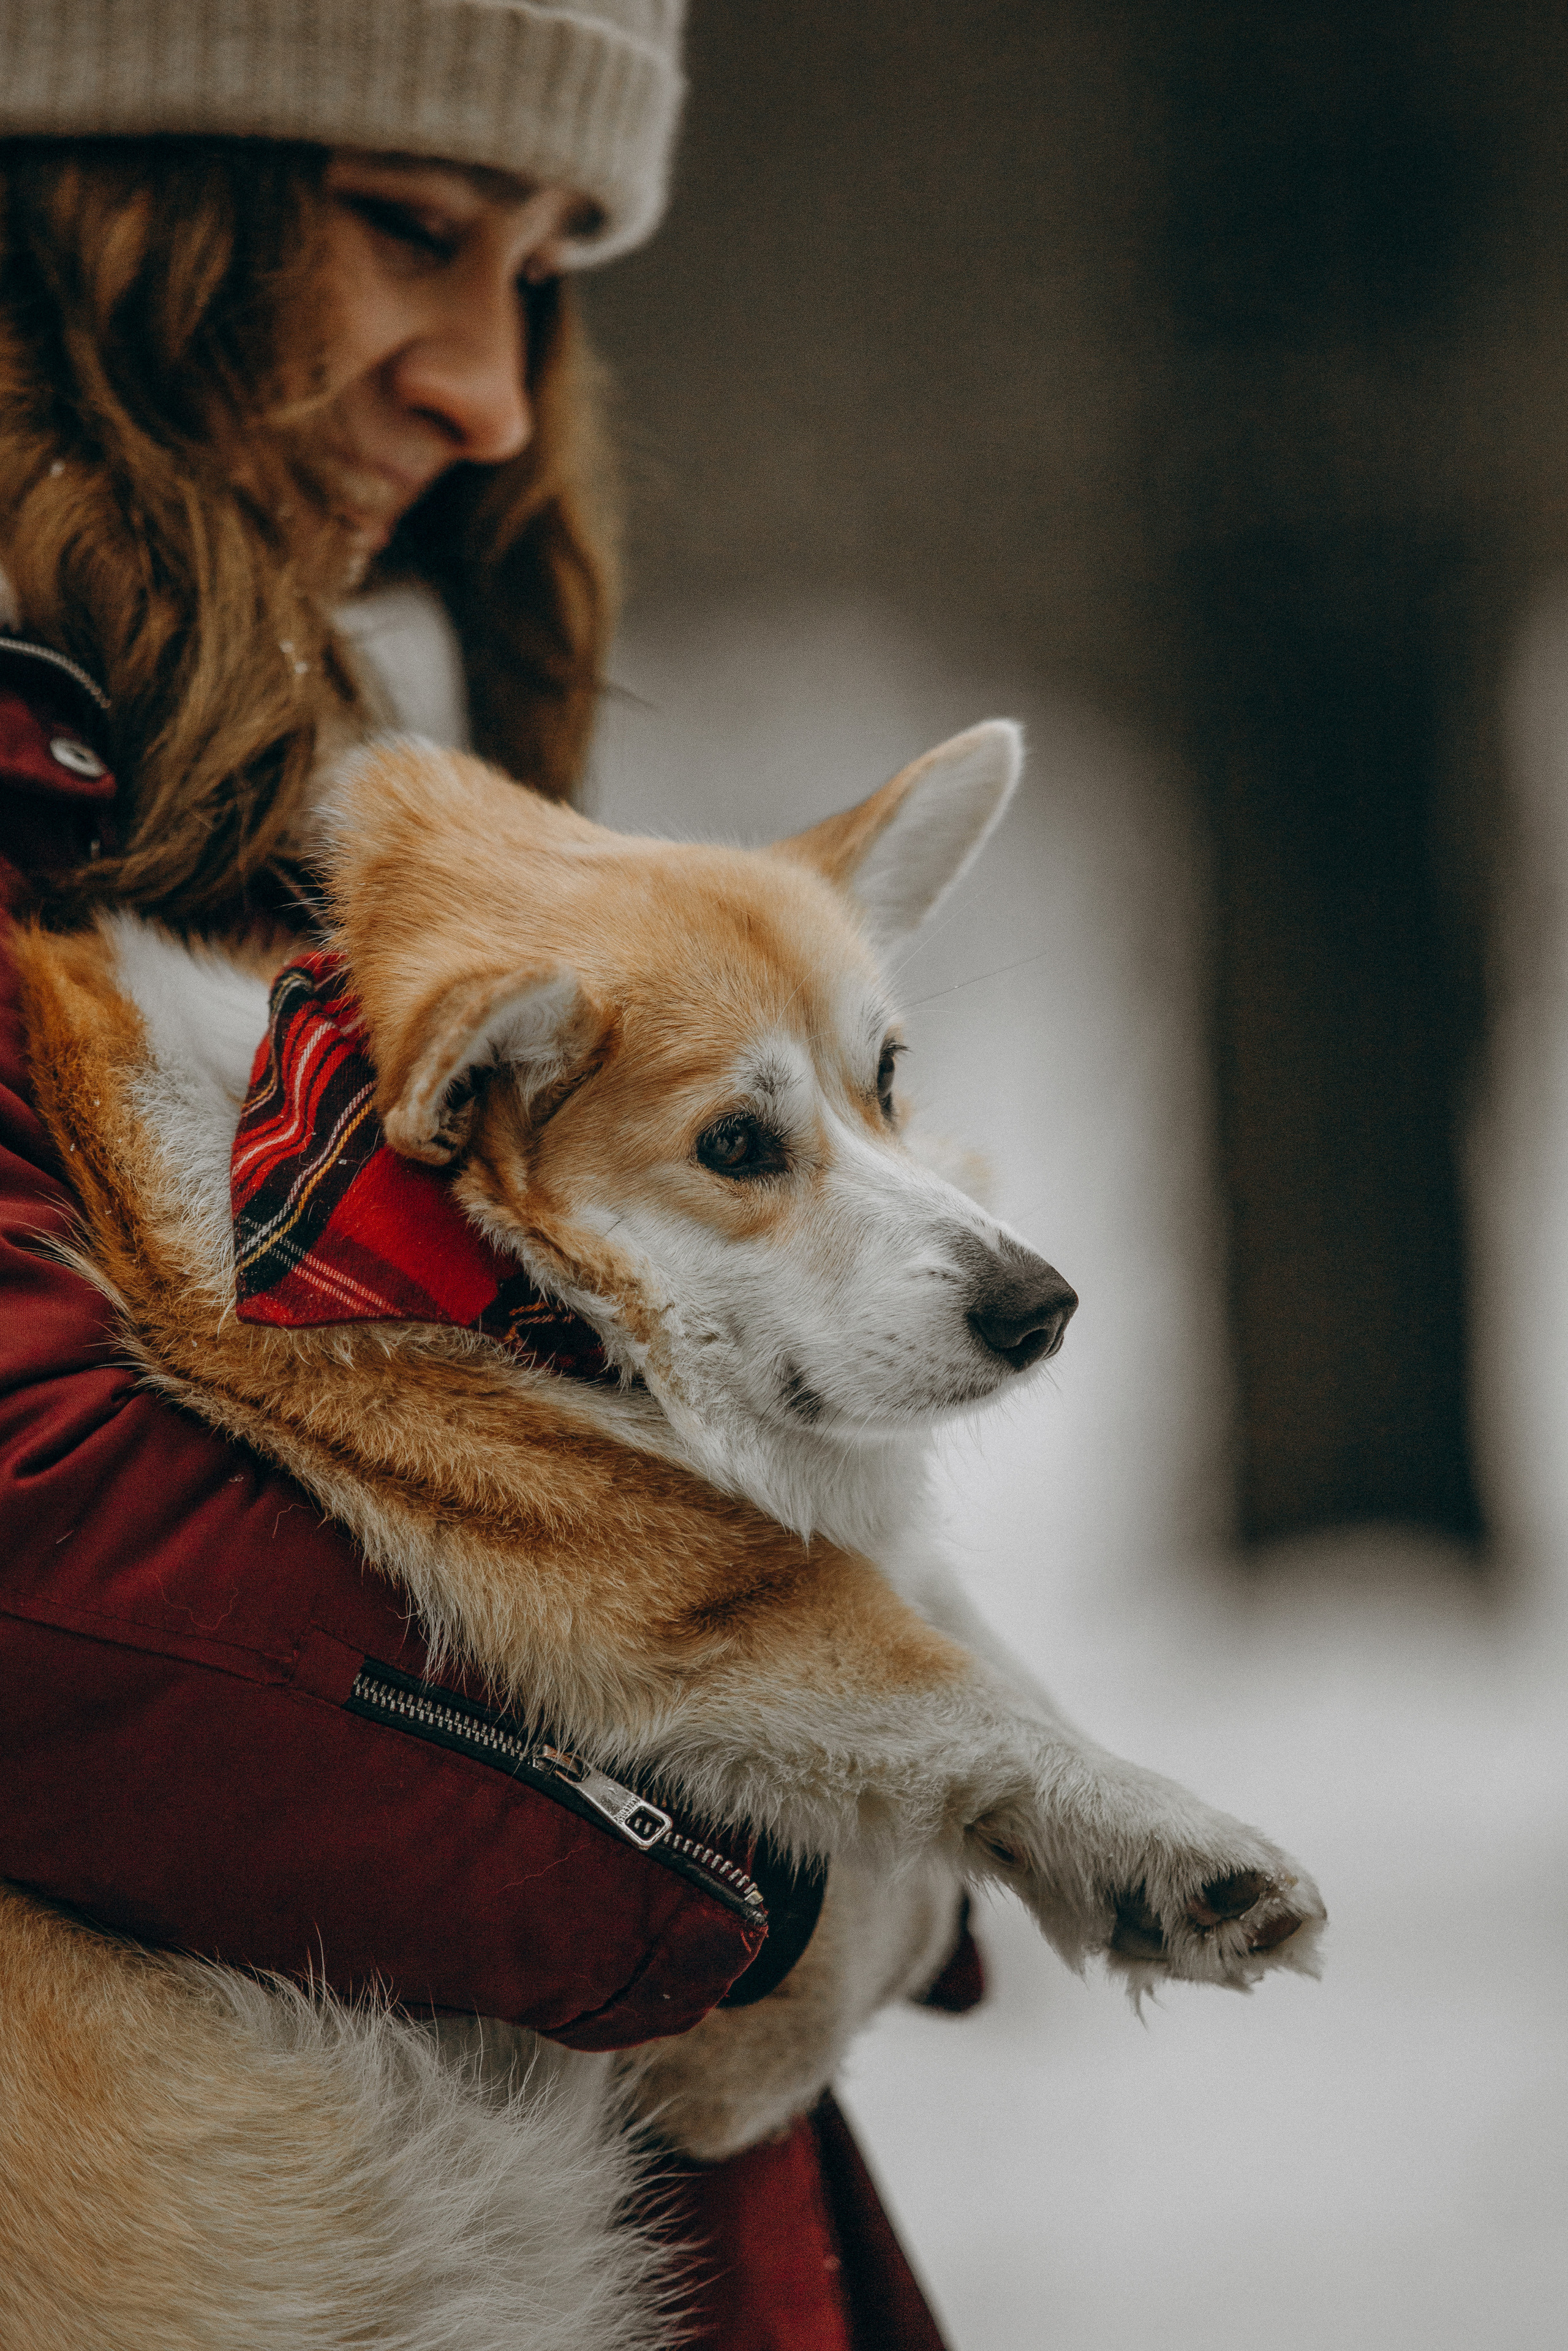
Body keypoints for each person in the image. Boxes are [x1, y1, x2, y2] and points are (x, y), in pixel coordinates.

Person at [0, 5, 969, 2344]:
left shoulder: (320, 781)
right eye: (415, 231)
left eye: (544, 271)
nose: (489, 394)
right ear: (94, 213)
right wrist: (760, 1856)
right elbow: (43, 1532)